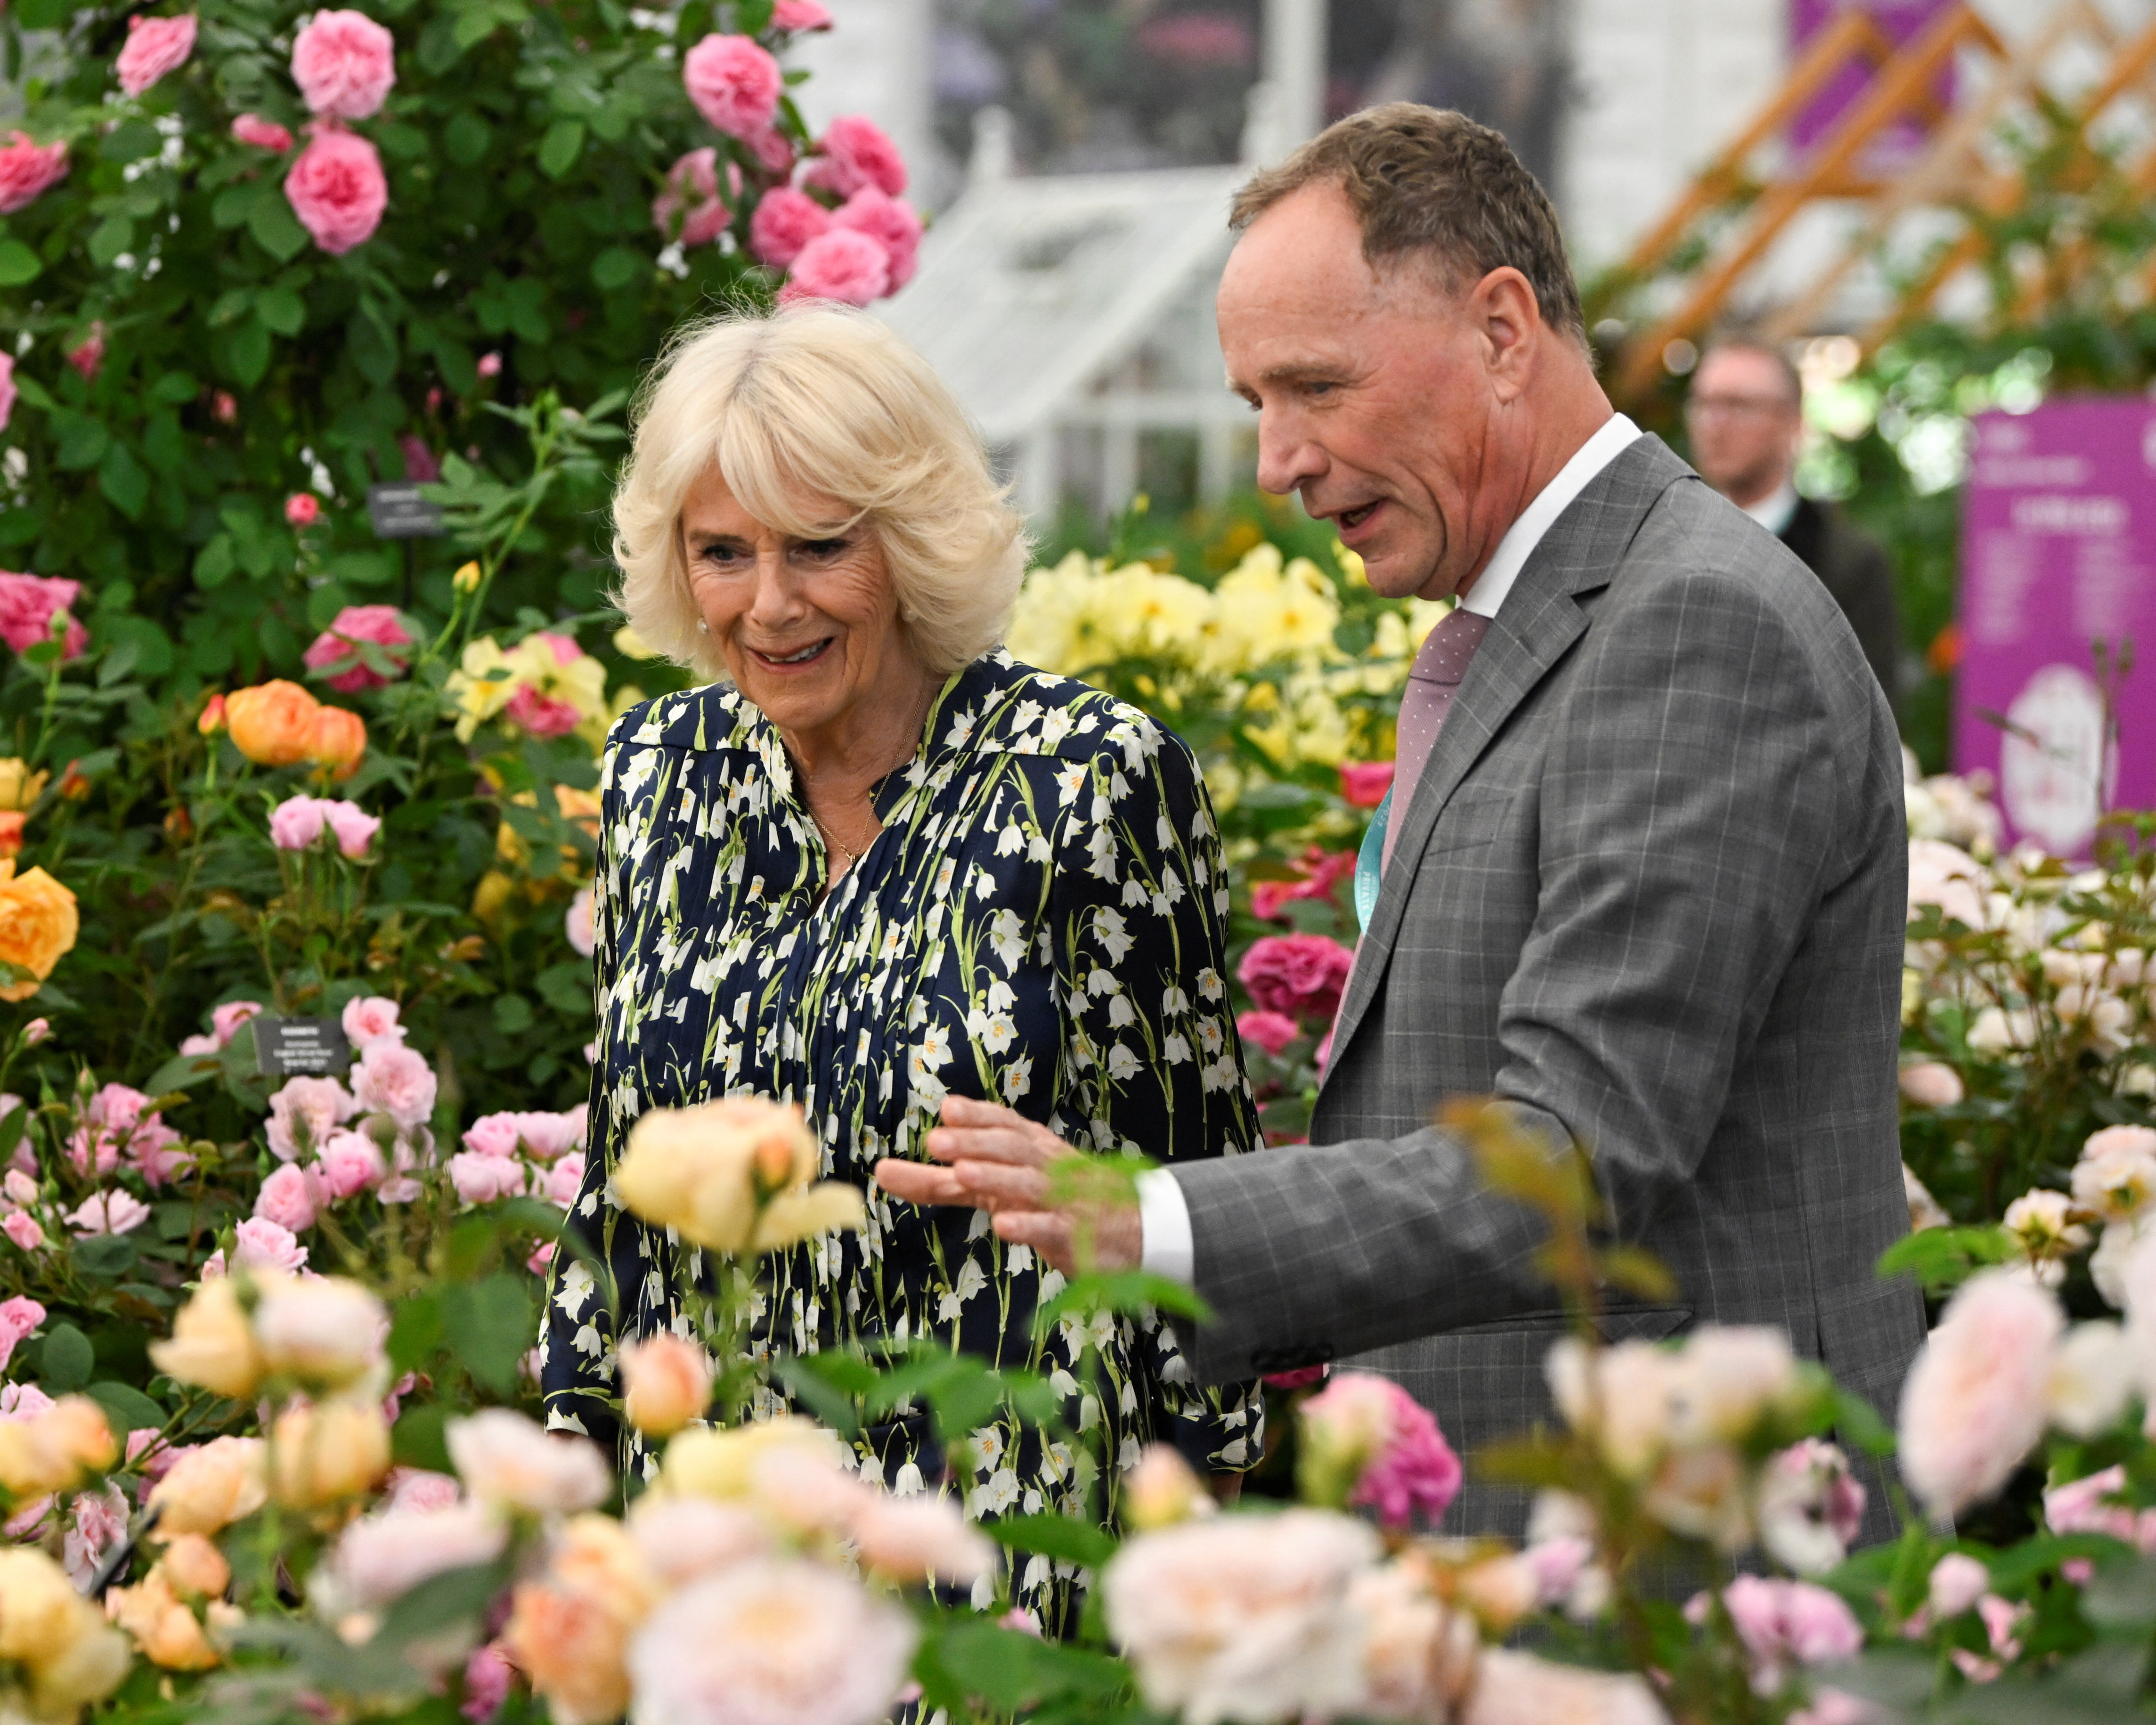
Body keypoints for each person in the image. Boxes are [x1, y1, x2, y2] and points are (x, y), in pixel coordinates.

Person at [878, 104, 1926, 1534]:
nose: (1276, 461)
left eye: (1314, 387)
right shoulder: (1562, 611)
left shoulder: (1692, 625)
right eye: (1255, 402)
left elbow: (1574, 1152)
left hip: (1678, 1571)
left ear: (1503, 330)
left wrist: (1148, 1218)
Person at [539, 304, 1262, 1614]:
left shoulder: (1088, 777)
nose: (769, 603)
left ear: (911, 538)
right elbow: (620, 1178)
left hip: (997, 1541)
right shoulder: (658, 772)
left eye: (821, 546)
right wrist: (569, 1481)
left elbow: (1200, 1179)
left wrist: (1195, 1536)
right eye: (722, 552)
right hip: (716, 1544)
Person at [1686, 338, 1904, 711]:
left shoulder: (1847, 562)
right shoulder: (1670, 540)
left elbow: (1871, 712)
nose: (1715, 424)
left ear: (1793, 422)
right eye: (1704, 404)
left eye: (1738, 406)